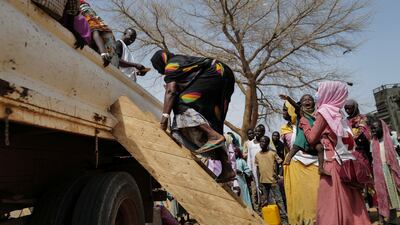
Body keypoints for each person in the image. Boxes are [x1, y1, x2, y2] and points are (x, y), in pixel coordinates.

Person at [150, 50, 235, 183]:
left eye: (158, 68)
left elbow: (171, 92)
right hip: (224, 75)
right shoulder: (183, 62)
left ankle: (212, 135)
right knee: (211, 120)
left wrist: (164, 120)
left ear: (160, 62)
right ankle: (227, 169)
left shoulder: (171, 65)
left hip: (216, 72)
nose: (160, 71)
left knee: (181, 103)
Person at [299, 81, 371, 225]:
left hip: (332, 163)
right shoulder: (338, 112)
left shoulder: (324, 112)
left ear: (328, 93)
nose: (316, 95)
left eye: (319, 91)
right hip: (346, 162)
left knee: (330, 202)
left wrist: (305, 123)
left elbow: (312, 138)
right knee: (351, 199)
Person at [281, 100, 320, 225]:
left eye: (285, 109)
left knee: (315, 194)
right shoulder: (284, 129)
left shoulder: (308, 121)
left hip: (314, 162)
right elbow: (286, 149)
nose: (283, 112)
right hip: (295, 165)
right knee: (299, 197)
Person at [279, 94, 328, 176]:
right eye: (305, 100)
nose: (307, 101)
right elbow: (295, 105)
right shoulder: (301, 111)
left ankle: (321, 168)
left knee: (320, 148)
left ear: (314, 103)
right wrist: (288, 98)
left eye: (310, 100)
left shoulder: (317, 113)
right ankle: (288, 158)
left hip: (313, 135)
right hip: (303, 135)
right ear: (301, 104)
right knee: (299, 141)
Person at [369, 117, 400, 225]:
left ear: (382, 128)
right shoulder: (373, 142)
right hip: (381, 172)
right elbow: (373, 159)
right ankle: (393, 219)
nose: (373, 131)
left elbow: (398, 153)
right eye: (371, 129)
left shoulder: (391, 138)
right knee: (388, 196)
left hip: (393, 170)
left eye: (375, 128)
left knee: (396, 193)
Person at [255, 136, 288, 225]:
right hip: (263, 182)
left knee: (279, 201)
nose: (261, 143)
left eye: (264, 141)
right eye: (260, 142)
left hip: (273, 181)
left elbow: (280, 163)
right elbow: (257, 169)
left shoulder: (272, 153)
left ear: (268, 143)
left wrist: (279, 175)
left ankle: (284, 220)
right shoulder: (257, 155)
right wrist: (258, 181)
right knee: (264, 202)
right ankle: (268, 220)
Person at [80, 0, 118, 67]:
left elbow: (95, 30)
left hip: (84, 7)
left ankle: (103, 52)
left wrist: (103, 53)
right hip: (85, 8)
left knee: (96, 29)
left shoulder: (86, 11)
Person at [247, 124, 266, 212]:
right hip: (253, 170)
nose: (257, 133)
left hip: (263, 170)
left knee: (263, 189)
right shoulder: (250, 144)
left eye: (259, 132)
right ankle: (257, 209)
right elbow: (249, 158)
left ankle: (264, 208)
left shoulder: (264, 144)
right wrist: (249, 170)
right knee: (255, 190)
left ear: (263, 133)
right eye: (256, 131)